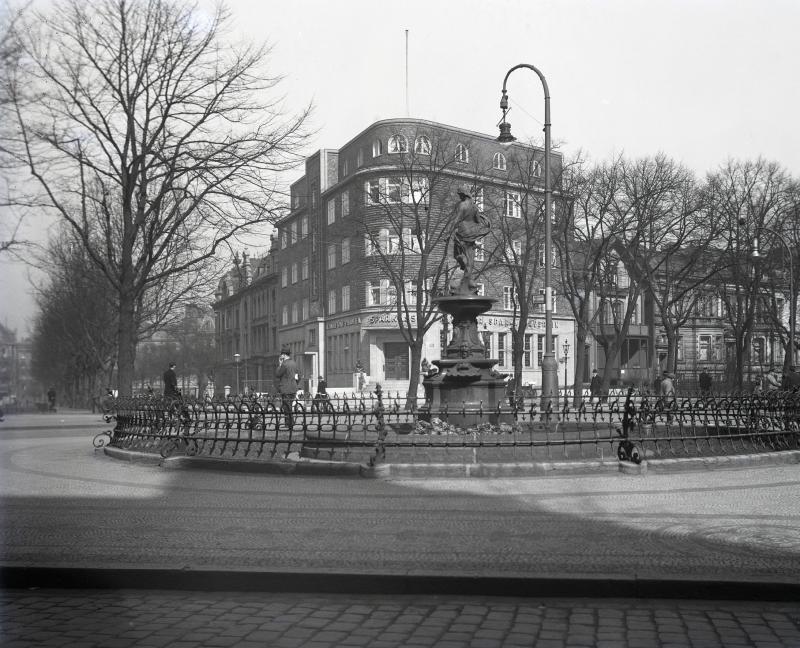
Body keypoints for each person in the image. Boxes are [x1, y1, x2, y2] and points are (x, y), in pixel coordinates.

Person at [451, 189, 491, 295]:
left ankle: (465, 278)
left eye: (460, 195)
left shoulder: (462, 205)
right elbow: (478, 220)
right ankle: (467, 278)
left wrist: (448, 232)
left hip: (462, 233)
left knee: (457, 255)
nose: (460, 197)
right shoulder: (474, 207)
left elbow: (457, 219)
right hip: (472, 235)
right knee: (470, 259)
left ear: (464, 195)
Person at [275, 346, 299, 429]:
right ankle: (290, 423)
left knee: (286, 407)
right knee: (289, 406)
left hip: (286, 389)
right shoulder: (294, 363)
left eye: (281, 354)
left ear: (284, 355)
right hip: (293, 388)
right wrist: (295, 384)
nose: (280, 356)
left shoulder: (284, 364)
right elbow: (298, 376)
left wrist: (280, 364)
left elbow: (278, 374)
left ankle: (288, 424)